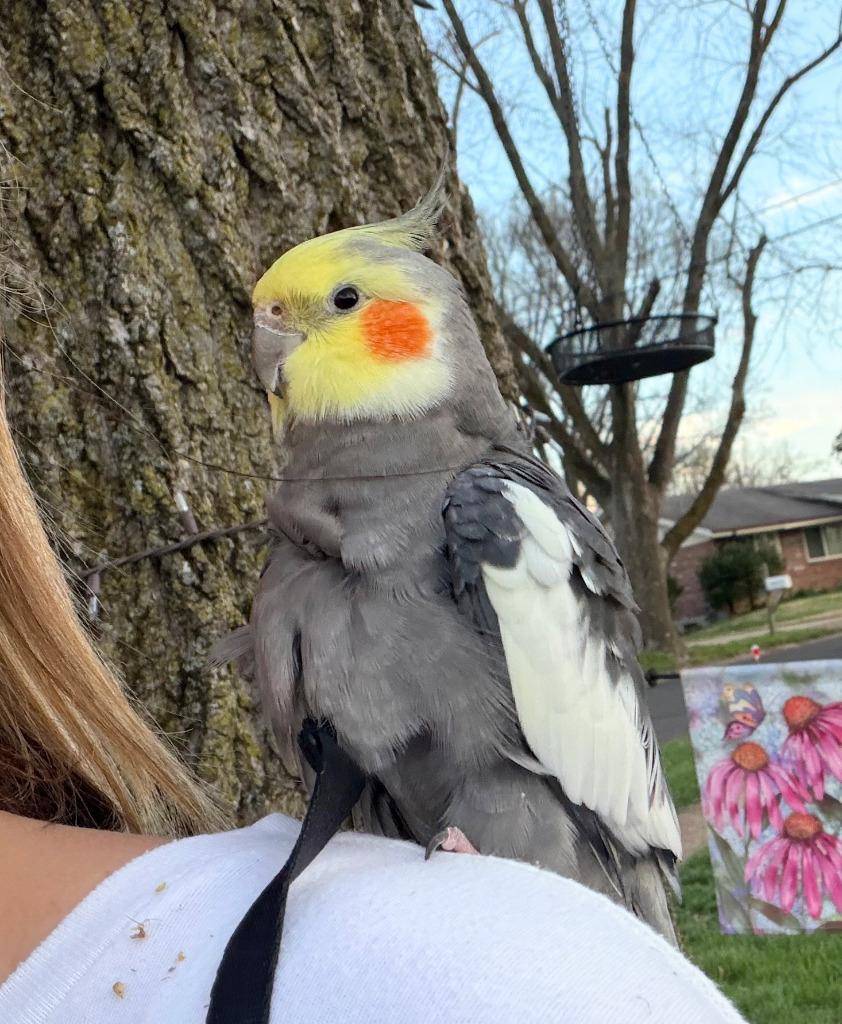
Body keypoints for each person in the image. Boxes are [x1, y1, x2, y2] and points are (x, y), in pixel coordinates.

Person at [0, 362, 745, 1024]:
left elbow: (587, 786)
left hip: (564, 856)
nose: (278, 339)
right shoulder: (302, 546)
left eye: (343, 303)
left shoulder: (492, 508)